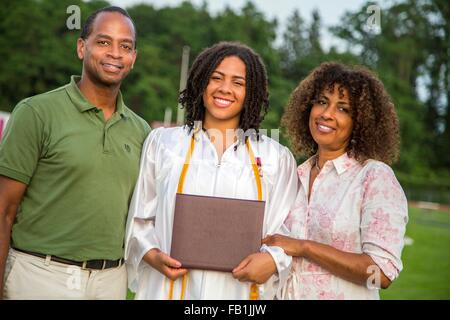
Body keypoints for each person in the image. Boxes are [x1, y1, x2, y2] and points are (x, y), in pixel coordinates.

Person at [124, 41, 298, 300]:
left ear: (251, 93)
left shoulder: (276, 158)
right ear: (201, 82)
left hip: (238, 293)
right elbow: (140, 217)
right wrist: (151, 254)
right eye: (216, 78)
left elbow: (287, 231)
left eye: (238, 83)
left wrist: (272, 261)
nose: (225, 88)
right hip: (168, 288)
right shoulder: (163, 144)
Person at [0, 6, 150, 299]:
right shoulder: (36, 112)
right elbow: (3, 211)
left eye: (126, 46)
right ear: (82, 47)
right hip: (40, 274)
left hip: (111, 280)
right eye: (104, 42)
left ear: (133, 58)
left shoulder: (142, 131)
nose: (115, 53)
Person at [263, 62, 408, 300]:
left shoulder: (374, 177)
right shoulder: (292, 175)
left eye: (343, 109)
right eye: (321, 102)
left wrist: (303, 247)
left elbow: (380, 273)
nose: (327, 114)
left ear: (360, 121)